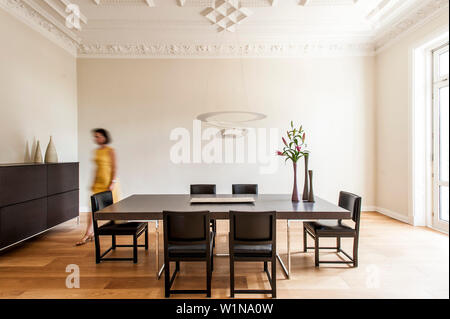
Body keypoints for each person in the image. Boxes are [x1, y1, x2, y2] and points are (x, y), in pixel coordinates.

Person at [76, 128, 119, 246]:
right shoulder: (96, 151)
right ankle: (88, 233)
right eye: (95, 136)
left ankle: (113, 231)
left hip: (108, 182)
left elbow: (115, 167)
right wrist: (93, 182)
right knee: (92, 209)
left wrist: (113, 182)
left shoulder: (111, 151)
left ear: (104, 137)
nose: (96, 138)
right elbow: (96, 168)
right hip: (98, 183)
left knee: (111, 209)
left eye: (99, 136)